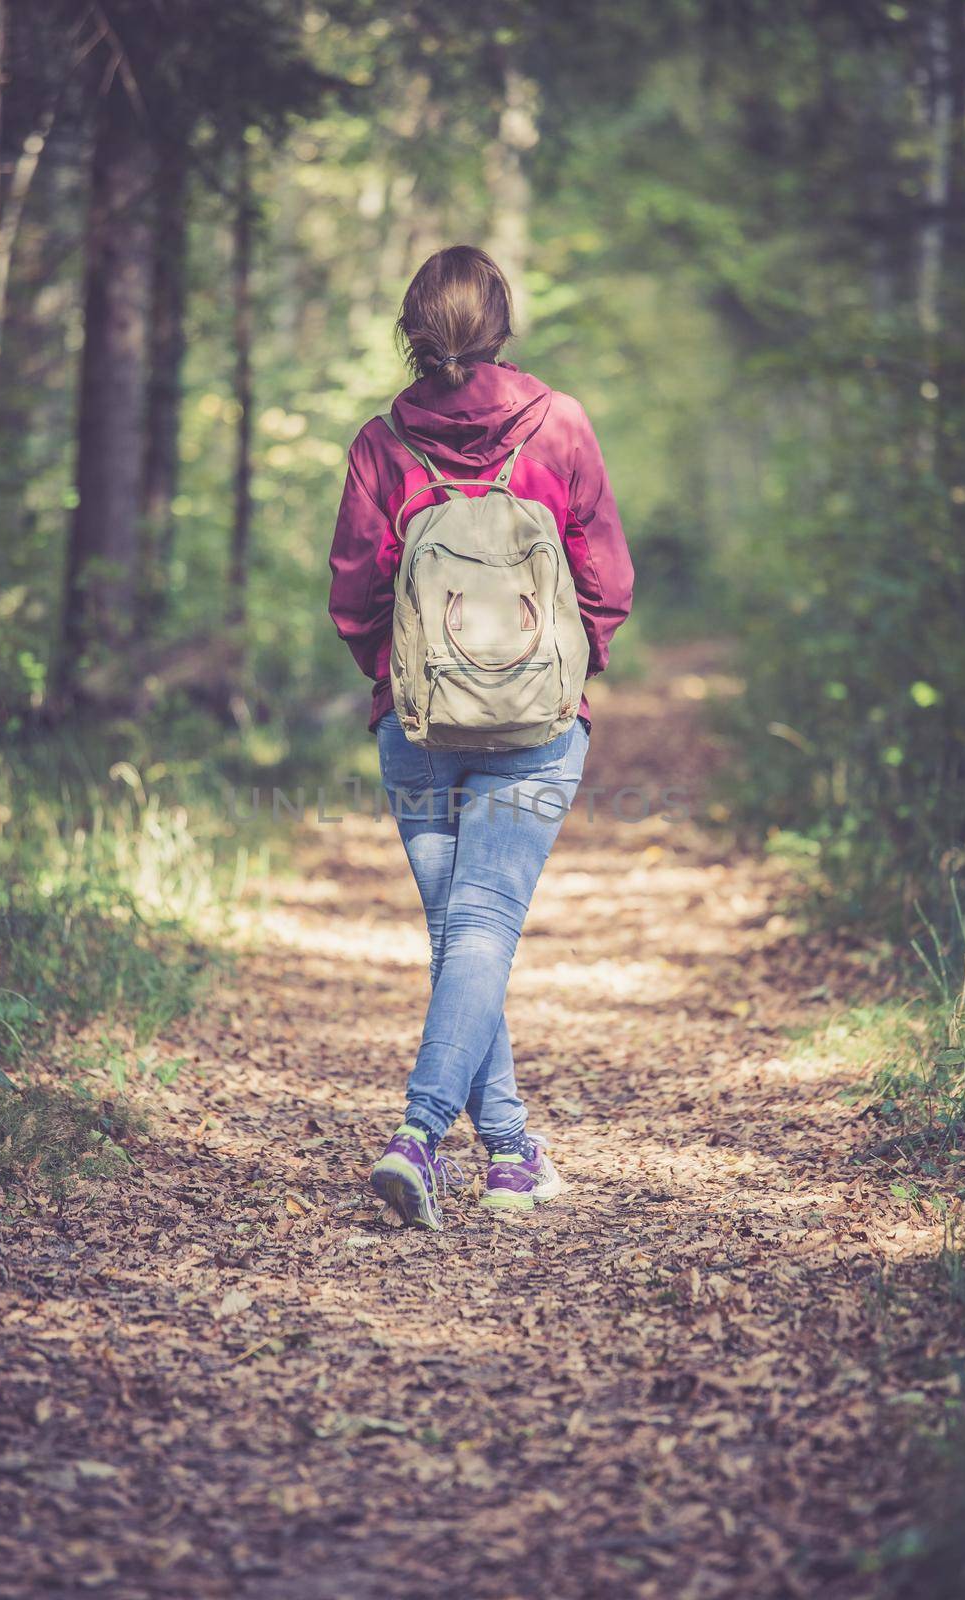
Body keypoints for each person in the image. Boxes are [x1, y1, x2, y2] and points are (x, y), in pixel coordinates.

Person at [328, 244, 633, 1230]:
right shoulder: (560, 425)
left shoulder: (382, 444)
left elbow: (355, 597)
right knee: (482, 929)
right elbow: (605, 586)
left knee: (462, 933)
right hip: (539, 723)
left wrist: (399, 679)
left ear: (413, 329)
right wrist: (573, 669)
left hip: (416, 725)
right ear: (500, 322)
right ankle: (427, 1135)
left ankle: (506, 1149)